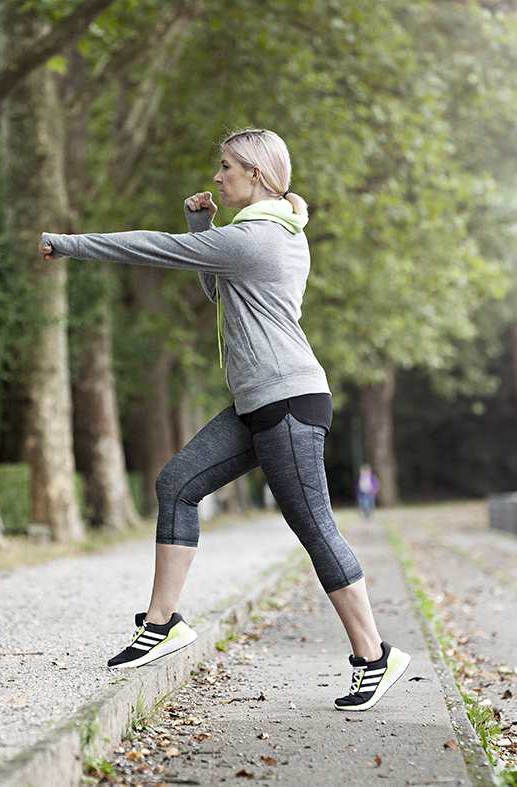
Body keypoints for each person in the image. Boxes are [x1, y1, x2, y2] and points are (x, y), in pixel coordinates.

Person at [38, 129, 410, 712]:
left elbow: (152, 250)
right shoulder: (270, 232)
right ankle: (162, 624)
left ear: (256, 175)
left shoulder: (257, 238)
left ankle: (374, 656)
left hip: (286, 403)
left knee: (314, 528)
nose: (218, 177)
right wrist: (201, 231)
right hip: (259, 403)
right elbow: (219, 288)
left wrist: (68, 243)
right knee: (177, 484)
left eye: (226, 167)